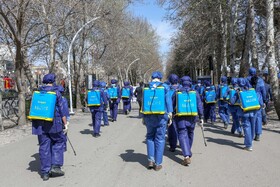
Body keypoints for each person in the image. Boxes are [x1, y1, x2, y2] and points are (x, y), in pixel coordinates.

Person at [31, 73, 67, 181]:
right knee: (59, 141)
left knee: (44, 146)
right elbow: (62, 109)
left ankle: (45, 172)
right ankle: (55, 166)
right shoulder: (56, 92)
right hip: (54, 123)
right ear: (53, 81)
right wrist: (65, 123)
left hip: (39, 124)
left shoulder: (37, 92)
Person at [142, 71, 173, 171]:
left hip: (149, 116)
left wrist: (143, 117)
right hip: (161, 116)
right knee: (160, 138)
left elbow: (144, 103)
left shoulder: (146, 87)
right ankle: (158, 163)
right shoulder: (165, 87)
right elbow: (168, 101)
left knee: (150, 136)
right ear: (160, 78)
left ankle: (150, 160)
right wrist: (170, 115)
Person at [172, 76, 204, 165]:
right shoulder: (195, 92)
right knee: (190, 133)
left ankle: (186, 155)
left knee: (182, 134)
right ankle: (188, 151)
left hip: (180, 117)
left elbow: (172, 104)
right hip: (192, 117)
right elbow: (199, 106)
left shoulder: (177, 92)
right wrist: (201, 116)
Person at [230, 78, 259, 151]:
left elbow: (232, 102)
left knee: (246, 127)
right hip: (254, 110)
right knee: (252, 126)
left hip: (244, 112)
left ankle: (248, 145)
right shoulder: (252, 89)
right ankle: (250, 140)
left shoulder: (239, 92)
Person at [247, 67, 267, 141]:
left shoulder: (246, 79)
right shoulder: (260, 80)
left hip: (249, 100)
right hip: (258, 100)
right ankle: (258, 134)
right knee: (258, 117)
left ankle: (250, 134)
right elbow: (263, 91)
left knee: (249, 118)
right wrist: (264, 100)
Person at [167, 74, 180, 152]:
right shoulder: (181, 88)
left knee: (172, 129)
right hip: (182, 112)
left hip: (172, 112)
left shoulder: (168, 89)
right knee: (181, 129)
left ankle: (173, 146)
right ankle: (182, 144)